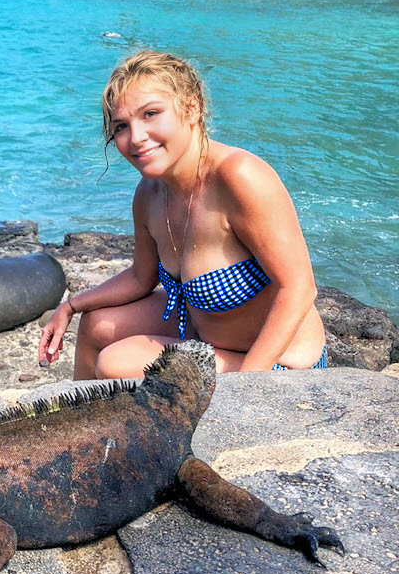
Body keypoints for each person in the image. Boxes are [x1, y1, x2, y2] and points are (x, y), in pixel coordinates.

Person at [38, 50, 327, 378]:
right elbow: (140, 278)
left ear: (192, 108)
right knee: (96, 325)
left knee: (118, 363)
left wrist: (247, 388)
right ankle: (84, 426)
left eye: (151, 114)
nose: (136, 138)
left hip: (274, 365)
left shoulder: (240, 177)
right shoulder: (150, 194)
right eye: (121, 126)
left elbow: (299, 288)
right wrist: (71, 305)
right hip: (205, 335)